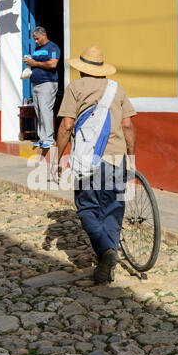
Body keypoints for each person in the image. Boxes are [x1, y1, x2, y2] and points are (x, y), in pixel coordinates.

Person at [52, 46, 137, 285]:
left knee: (87, 207)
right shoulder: (117, 88)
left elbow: (67, 125)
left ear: (81, 69)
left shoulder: (75, 88)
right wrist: (130, 155)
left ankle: (106, 253)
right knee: (113, 208)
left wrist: (58, 158)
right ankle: (106, 261)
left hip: (88, 159)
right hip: (116, 158)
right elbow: (128, 126)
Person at [23, 27, 60, 149]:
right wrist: (29, 62)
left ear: (44, 35)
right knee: (39, 111)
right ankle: (42, 138)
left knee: (45, 110)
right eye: (35, 39)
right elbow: (35, 63)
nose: (36, 41)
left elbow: (53, 63)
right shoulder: (37, 49)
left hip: (47, 83)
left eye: (37, 39)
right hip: (35, 83)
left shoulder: (53, 47)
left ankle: (49, 139)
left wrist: (35, 63)